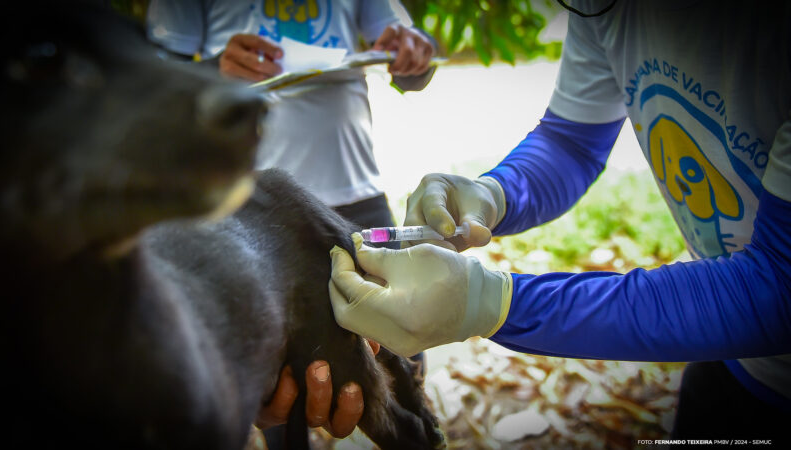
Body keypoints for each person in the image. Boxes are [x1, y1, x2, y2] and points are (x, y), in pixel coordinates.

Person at [329, 0, 791, 441]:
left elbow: (779, 284)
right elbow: (572, 142)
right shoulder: (606, 10)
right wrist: (494, 193)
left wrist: (494, 303)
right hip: (727, 360)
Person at [146, 0, 435, 442]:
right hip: (251, 221)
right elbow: (150, 88)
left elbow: (414, 67)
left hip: (360, 198)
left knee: (401, 365)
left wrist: (414, 52)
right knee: (284, 397)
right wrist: (213, 76)